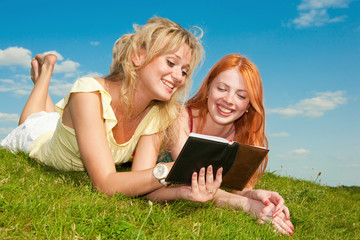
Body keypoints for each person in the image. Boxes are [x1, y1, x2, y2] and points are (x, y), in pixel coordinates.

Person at [0, 17, 223, 202]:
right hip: (36, 138)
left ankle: (44, 77)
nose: (178, 77)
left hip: (67, 130)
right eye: (171, 63)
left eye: (184, 71)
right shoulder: (88, 94)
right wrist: (175, 168)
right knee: (33, 120)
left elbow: (140, 181)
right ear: (138, 56)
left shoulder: (157, 113)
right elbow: (105, 183)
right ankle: (44, 74)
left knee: (48, 117)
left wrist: (183, 191)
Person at [140, 54, 294, 235]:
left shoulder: (243, 135)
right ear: (208, 88)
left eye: (241, 95)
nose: (229, 100)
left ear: (248, 105)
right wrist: (247, 205)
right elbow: (192, 177)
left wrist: (254, 196)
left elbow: (233, 187)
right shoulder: (180, 116)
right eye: (222, 88)